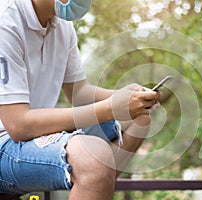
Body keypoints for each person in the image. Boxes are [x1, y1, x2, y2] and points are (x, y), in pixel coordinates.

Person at [0, 0, 160, 199]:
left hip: (36, 136)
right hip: (5, 142)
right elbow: (18, 124)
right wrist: (111, 107)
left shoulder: (62, 26)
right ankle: (93, 175)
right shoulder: (5, 21)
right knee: (94, 157)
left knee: (138, 119)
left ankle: (95, 182)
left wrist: (129, 98)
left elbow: (79, 92)